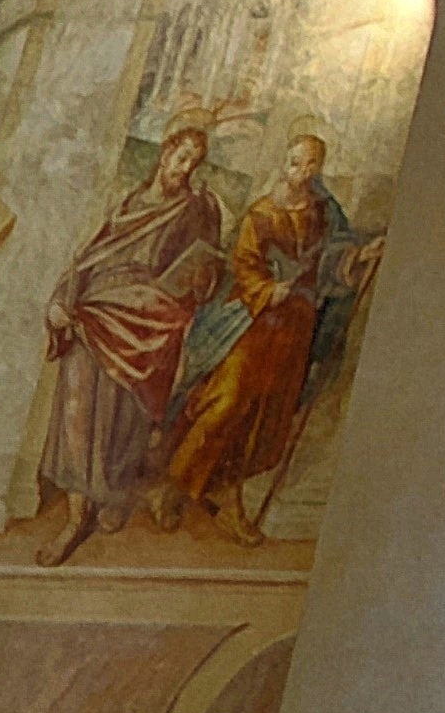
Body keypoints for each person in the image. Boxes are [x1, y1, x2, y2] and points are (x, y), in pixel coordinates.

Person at [159, 133, 372, 543]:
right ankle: (174, 484)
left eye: (310, 165)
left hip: (295, 324)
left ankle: (227, 496)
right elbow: (243, 262)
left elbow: (333, 256)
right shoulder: (262, 212)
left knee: (266, 416)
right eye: (295, 163)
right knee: (228, 400)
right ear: (284, 163)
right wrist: (265, 290)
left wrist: (357, 257)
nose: (301, 172)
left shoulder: (324, 212)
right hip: (253, 321)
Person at [37, 119, 229, 565]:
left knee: (126, 416)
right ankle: (76, 513)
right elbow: (92, 255)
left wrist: (200, 278)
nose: (184, 169)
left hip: (150, 319)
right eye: (181, 157)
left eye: (193, 164)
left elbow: (204, 272)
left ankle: (113, 496)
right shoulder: (130, 201)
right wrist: (59, 298)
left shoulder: (194, 209)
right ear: (165, 153)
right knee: (79, 410)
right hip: (98, 309)